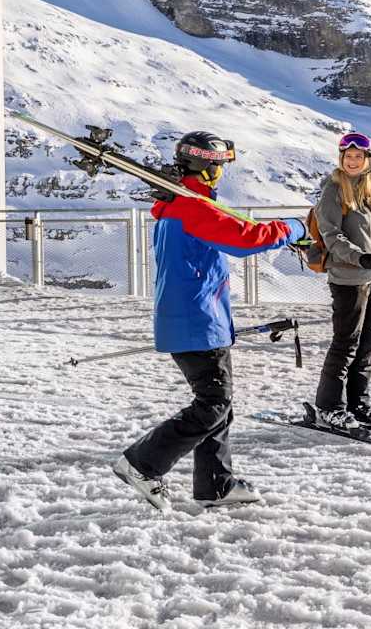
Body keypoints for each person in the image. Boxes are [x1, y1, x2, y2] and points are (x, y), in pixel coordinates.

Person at [112, 131, 299, 511]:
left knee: (220, 404)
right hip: (197, 320)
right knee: (212, 404)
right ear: (208, 167)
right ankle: (142, 463)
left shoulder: (181, 204)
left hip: (200, 318)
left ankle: (216, 484)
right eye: (220, 166)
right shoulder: (192, 208)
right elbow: (247, 238)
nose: (222, 173)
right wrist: (295, 227)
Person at [311, 130, 371, 431]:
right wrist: (364, 259)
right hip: (347, 279)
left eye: (359, 156)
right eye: (348, 156)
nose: (353, 161)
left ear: (369, 160)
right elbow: (332, 237)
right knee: (346, 343)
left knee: (367, 343)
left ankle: (358, 402)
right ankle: (329, 406)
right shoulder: (333, 190)